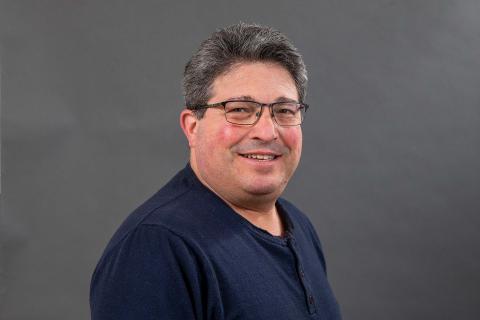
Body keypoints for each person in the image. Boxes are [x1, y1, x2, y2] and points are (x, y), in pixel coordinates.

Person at [90, 22, 342, 320]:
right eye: (239, 109)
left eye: (284, 111)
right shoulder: (156, 248)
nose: (267, 131)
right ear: (192, 127)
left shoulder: (298, 225)